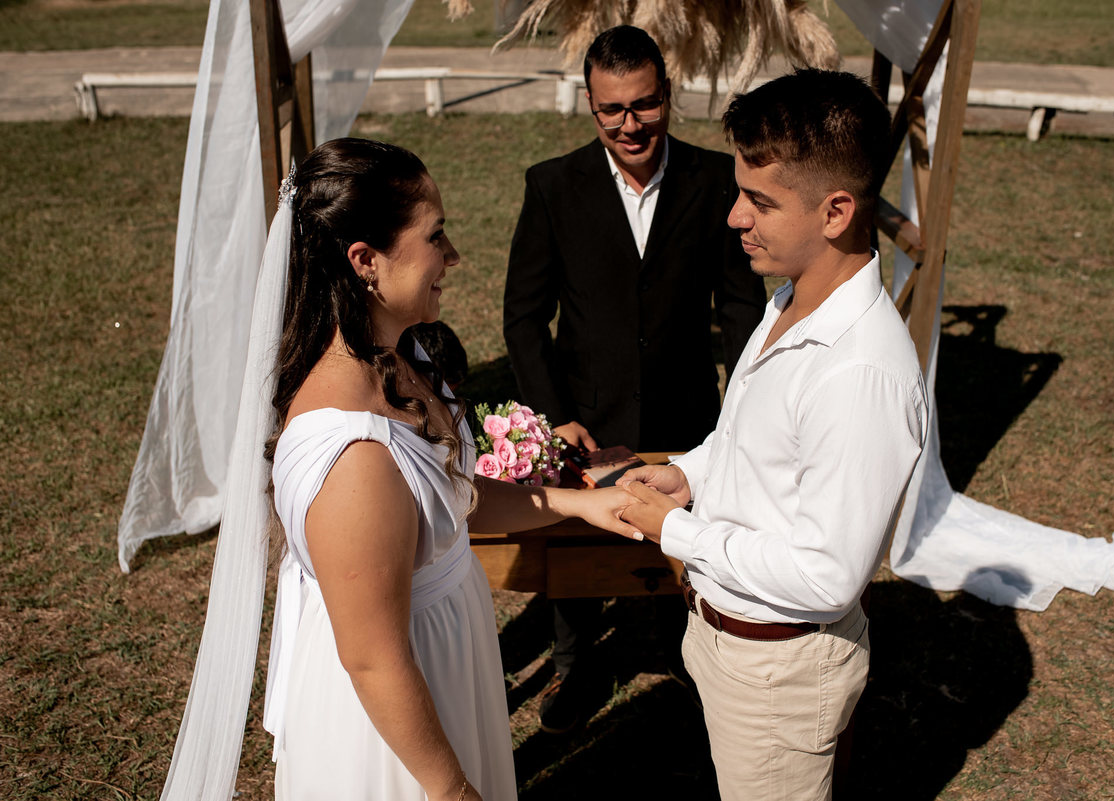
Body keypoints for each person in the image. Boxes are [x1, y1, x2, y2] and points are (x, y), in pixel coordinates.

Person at [160, 138, 640, 801]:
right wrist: (452, 790)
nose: (453, 256)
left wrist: (579, 504)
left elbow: (449, 499)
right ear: (365, 261)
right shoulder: (353, 457)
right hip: (396, 713)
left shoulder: (398, 359)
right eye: (435, 236)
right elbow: (373, 658)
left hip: (444, 658)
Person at [612, 70, 930, 801]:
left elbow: (826, 576)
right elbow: (750, 436)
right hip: (730, 640)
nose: (735, 217)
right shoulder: (790, 297)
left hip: (778, 673)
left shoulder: (859, 373)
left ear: (835, 211)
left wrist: (677, 531)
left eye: (760, 201)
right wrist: (690, 474)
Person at [502, 25, 766, 732]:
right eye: (611, 109)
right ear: (590, 104)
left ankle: (687, 653)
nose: (630, 124)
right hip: (585, 418)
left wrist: (743, 406)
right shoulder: (552, 186)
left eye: (644, 105)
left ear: (667, 95)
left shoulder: (716, 180)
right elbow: (524, 317)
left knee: (685, 543)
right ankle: (575, 662)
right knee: (575, 551)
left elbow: (741, 306)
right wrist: (553, 415)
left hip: (689, 412)